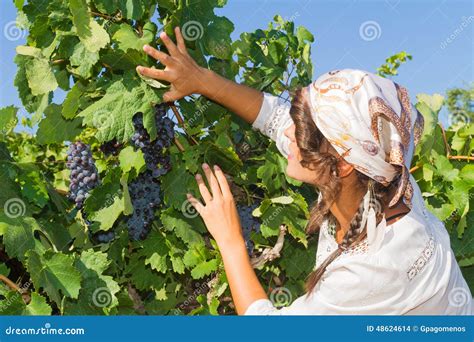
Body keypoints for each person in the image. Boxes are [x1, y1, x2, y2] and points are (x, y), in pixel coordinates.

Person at [136, 27, 473, 315]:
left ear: (341, 163)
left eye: (300, 132)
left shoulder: (373, 269)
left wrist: (230, 239)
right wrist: (202, 81)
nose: (287, 134)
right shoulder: (382, 175)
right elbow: (277, 117)